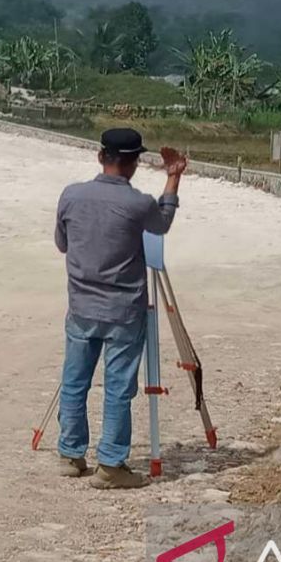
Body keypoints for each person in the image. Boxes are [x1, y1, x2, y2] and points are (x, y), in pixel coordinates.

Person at [53, 128, 187, 489]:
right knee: (117, 388)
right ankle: (110, 465)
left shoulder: (71, 195)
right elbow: (161, 225)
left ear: (101, 156)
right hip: (124, 311)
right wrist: (174, 177)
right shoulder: (139, 203)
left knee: (74, 381)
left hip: (81, 306)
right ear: (135, 164)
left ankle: (70, 454)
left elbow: (62, 244)